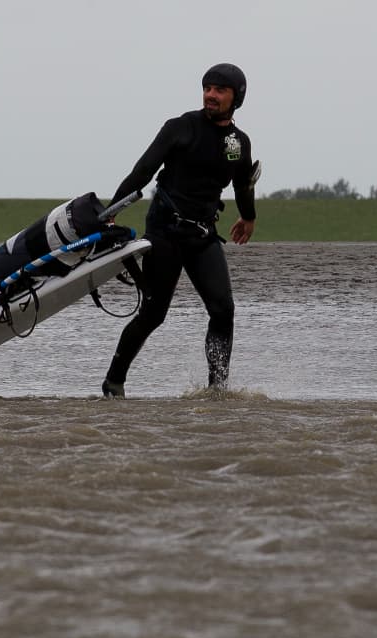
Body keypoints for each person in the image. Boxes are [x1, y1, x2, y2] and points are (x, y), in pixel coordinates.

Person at [101, 62, 259, 398]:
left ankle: (218, 389)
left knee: (223, 309)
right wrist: (112, 212)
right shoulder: (181, 127)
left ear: (236, 98)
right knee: (154, 313)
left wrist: (248, 217)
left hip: (202, 236)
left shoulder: (238, 143)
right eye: (207, 88)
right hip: (165, 233)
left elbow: (244, 182)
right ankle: (114, 382)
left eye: (220, 90)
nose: (211, 95)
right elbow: (142, 171)